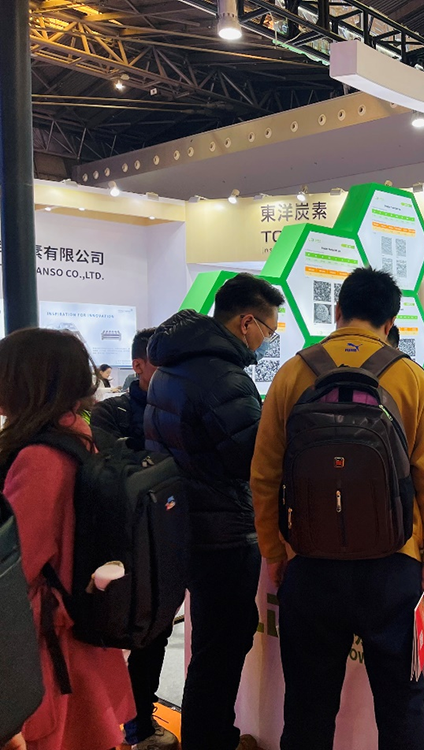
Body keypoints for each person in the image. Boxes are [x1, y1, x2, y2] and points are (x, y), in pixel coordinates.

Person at [251, 267, 424, 750]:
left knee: (307, 706)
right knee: (402, 704)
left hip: (311, 565)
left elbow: (264, 476)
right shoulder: (411, 377)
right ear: (391, 321)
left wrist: (275, 551)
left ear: (338, 311)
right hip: (392, 566)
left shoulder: (293, 372)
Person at [145, 273, 284, 750]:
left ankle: (213, 736)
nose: (267, 340)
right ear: (246, 322)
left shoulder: (171, 367)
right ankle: (212, 740)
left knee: (209, 644)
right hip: (223, 531)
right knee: (221, 647)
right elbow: (252, 460)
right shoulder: (224, 377)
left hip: (183, 523)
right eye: (268, 330)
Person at [0, 329, 135, 750]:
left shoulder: (38, 458)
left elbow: (15, 565)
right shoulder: (79, 437)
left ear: (25, 381)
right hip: (78, 626)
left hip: (43, 645)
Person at [89, 329, 176, 750]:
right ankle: (110, 725)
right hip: (119, 542)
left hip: (167, 533)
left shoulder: (178, 407)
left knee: (155, 633)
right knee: (111, 636)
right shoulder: (110, 412)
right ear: (138, 365)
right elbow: (117, 472)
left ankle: (140, 722)